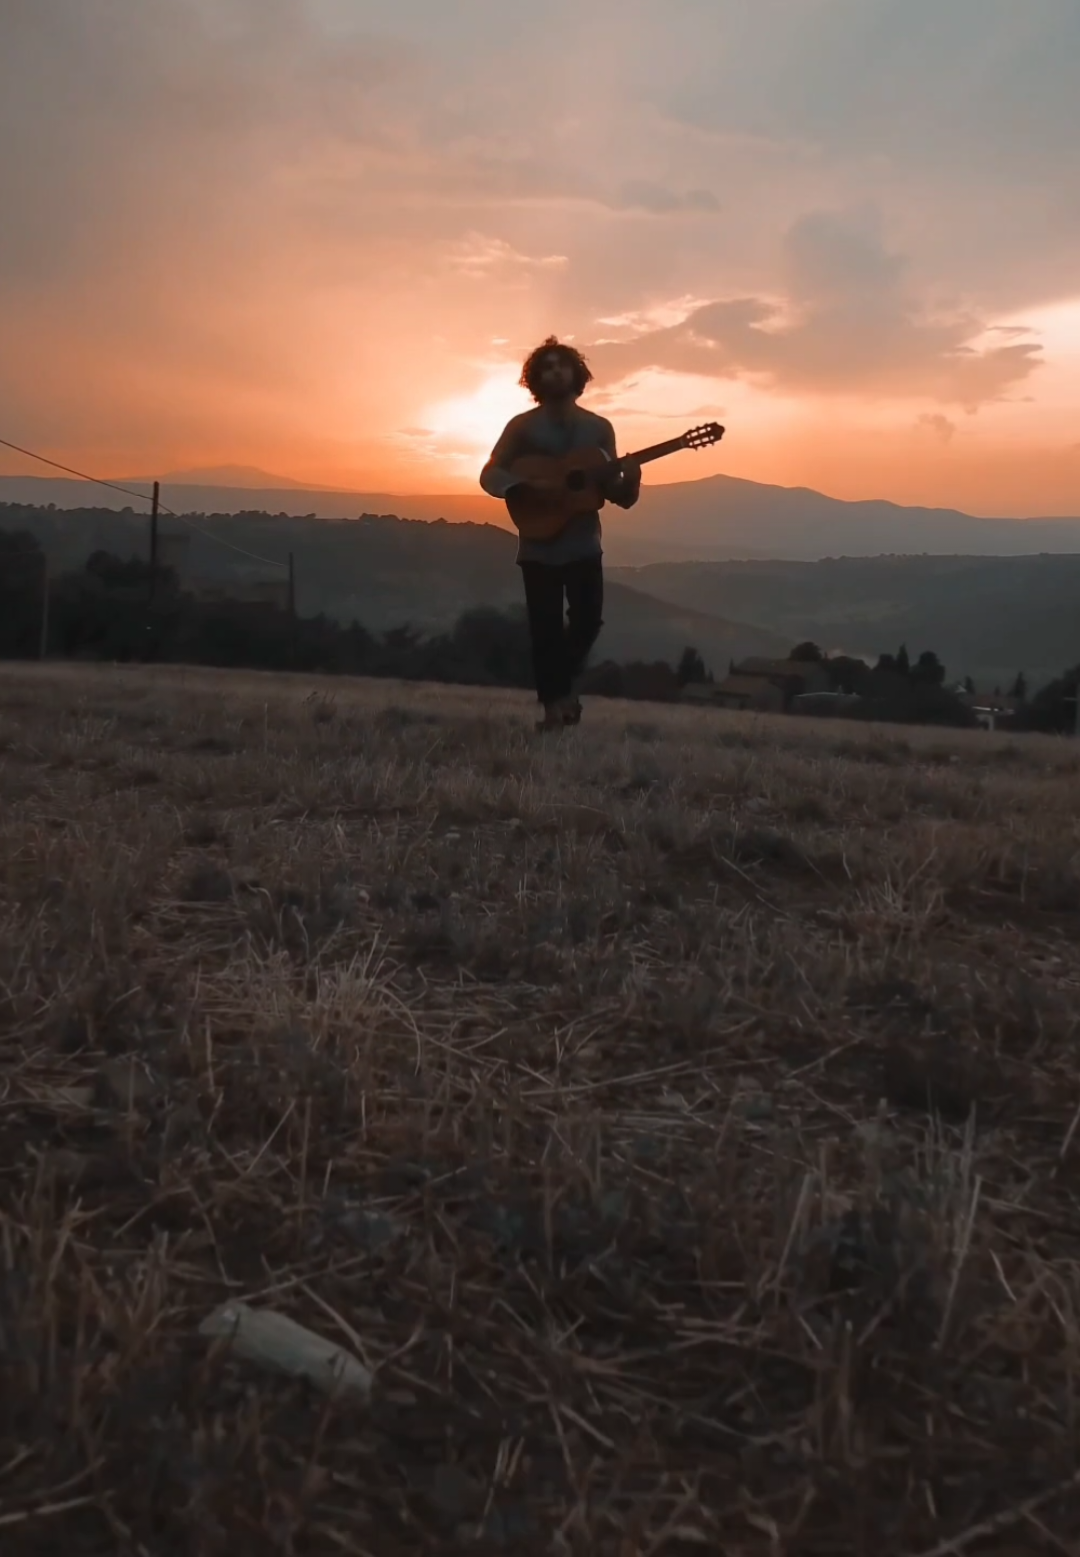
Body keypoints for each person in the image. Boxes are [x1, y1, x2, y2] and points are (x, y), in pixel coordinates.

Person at [479, 336, 641, 730]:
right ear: (536, 378)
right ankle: (555, 709)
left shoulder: (599, 428)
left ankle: (561, 688)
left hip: (584, 540)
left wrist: (631, 481)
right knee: (545, 628)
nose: (554, 371)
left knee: (587, 622)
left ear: (576, 373)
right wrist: (530, 487)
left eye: (561, 365)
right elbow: (490, 474)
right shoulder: (521, 427)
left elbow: (613, 493)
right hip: (537, 543)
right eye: (546, 366)